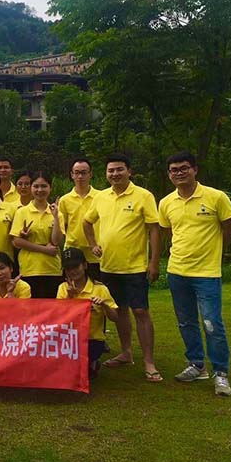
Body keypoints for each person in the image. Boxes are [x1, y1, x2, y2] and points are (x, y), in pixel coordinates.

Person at [158, 151, 231, 396]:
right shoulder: (166, 202)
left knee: (212, 323)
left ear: (195, 169)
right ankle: (196, 364)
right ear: (169, 175)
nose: (179, 173)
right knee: (186, 322)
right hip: (177, 271)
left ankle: (220, 373)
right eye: (174, 170)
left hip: (207, 273)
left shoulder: (216, 197)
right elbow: (170, 232)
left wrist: (216, 252)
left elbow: (230, 228)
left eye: (184, 168)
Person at [83, 154, 163, 383]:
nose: (115, 174)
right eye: (111, 170)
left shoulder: (143, 196)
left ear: (129, 171)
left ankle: (149, 362)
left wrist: (154, 262)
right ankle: (126, 352)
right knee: (119, 311)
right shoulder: (101, 197)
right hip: (109, 266)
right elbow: (87, 222)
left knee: (141, 311)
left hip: (135, 267)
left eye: (119, 169)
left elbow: (154, 229)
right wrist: (93, 244)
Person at [56, 248, 119, 380]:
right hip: (69, 339)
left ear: (84, 265)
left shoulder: (99, 289)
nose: (72, 271)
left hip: (92, 339)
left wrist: (104, 305)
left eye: (76, 267)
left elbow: (115, 317)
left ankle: (92, 363)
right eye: (68, 268)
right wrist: (69, 297)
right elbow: (58, 316)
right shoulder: (63, 288)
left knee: (84, 374)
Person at [10, 171, 63, 298]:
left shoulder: (57, 213)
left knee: (51, 307)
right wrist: (44, 249)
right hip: (29, 268)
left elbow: (56, 241)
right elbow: (17, 241)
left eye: (44, 186)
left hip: (52, 269)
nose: (40, 190)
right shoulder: (22, 212)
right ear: (31, 188)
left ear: (50, 188)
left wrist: (56, 217)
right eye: (36, 186)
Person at [58, 159, 101, 280]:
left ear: (90, 174)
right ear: (72, 175)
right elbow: (62, 227)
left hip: (96, 252)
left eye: (84, 172)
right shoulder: (65, 200)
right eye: (77, 173)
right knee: (73, 288)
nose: (80, 176)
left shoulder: (101, 197)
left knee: (98, 287)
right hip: (73, 251)